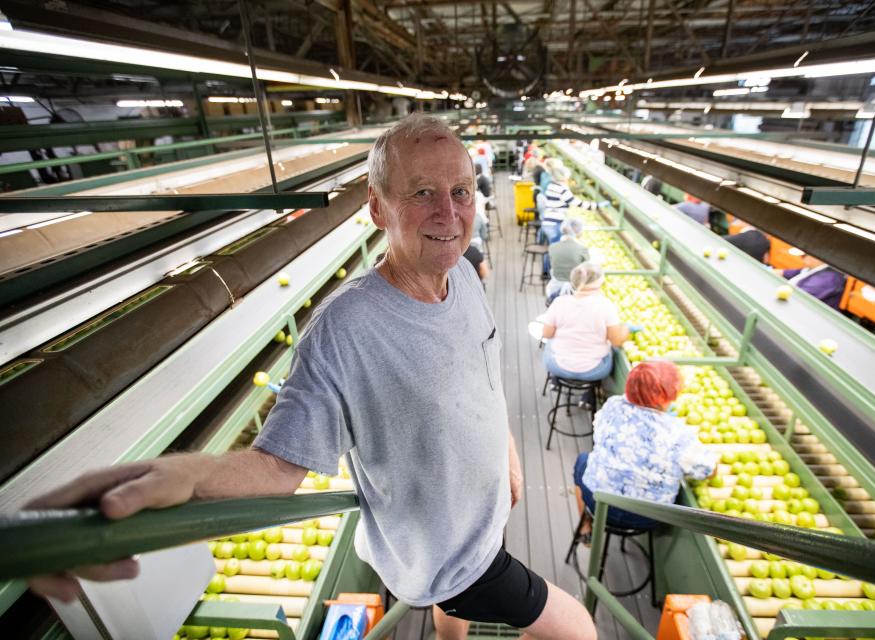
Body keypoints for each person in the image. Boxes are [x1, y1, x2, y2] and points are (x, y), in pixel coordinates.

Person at [25, 114, 597, 640]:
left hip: (479, 514)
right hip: (450, 554)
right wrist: (181, 477)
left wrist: (508, 458)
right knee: (578, 629)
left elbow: (485, 376)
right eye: (422, 193)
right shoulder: (344, 330)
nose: (449, 213)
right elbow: (276, 466)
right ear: (376, 207)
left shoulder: (465, 276)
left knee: (452, 616)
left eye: (460, 192)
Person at [572, 361, 718, 541]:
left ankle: (585, 528)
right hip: (646, 516)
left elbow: (598, 427)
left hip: (598, 501)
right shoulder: (678, 433)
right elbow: (709, 471)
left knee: (583, 461)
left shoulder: (612, 405)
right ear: (668, 395)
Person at [540, 263, 631, 409]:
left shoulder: (559, 302)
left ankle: (556, 380)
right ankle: (589, 395)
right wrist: (626, 329)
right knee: (607, 351)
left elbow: (546, 333)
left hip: (558, 366)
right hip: (593, 370)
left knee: (551, 343)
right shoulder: (606, 306)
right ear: (599, 282)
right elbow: (616, 341)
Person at [777, 253, 847, 310]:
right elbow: (783, 272)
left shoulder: (828, 278)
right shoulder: (810, 268)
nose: (803, 258)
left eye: (805, 255)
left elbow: (798, 297)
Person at [546, 218, 590, 301]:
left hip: (553, 290)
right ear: (579, 232)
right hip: (575, 293)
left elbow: (551, 266)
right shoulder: (582, 249)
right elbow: (586, 271)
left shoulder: (552, 247)